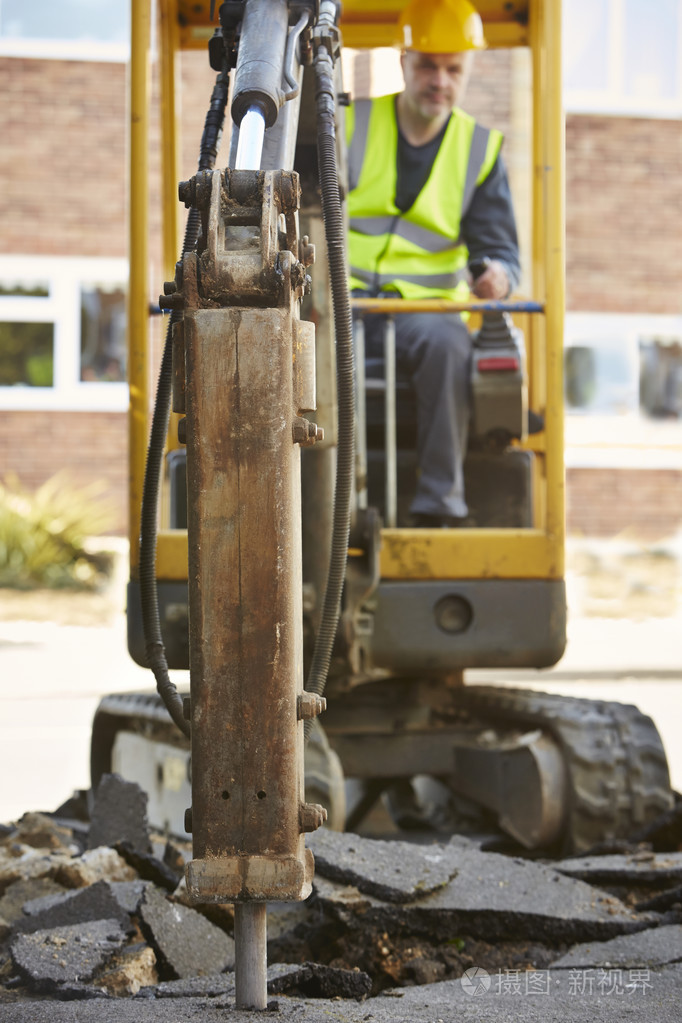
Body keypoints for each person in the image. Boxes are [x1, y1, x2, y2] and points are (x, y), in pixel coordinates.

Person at [346, 0, 521, 527]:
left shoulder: (480, 150)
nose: (439, 81)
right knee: (308, 341)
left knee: (450, 345)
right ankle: (320, 500)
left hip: (425, 314)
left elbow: (500, 250)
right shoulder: (347, 124)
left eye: (453, 69)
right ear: (403, 61)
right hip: (342, 301)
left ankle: (439, 507)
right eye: (427, 65)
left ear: (467, 73)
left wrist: (498, 276)